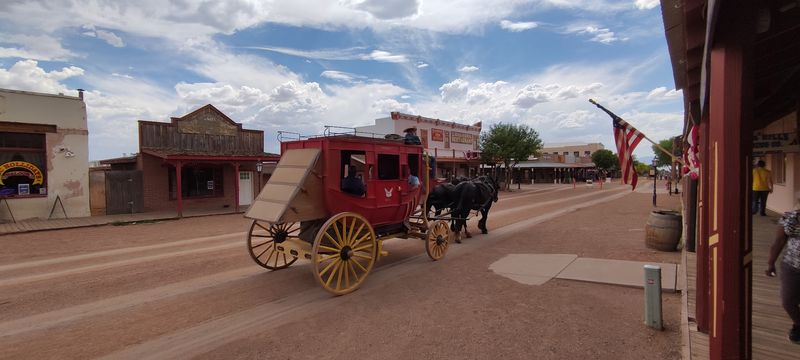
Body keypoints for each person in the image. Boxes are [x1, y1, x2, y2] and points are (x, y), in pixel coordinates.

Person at [766, 191, 800, 344]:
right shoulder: (791, 218)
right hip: (792, 266)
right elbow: (779, 241)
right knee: (788, 301)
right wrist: (770, 263)